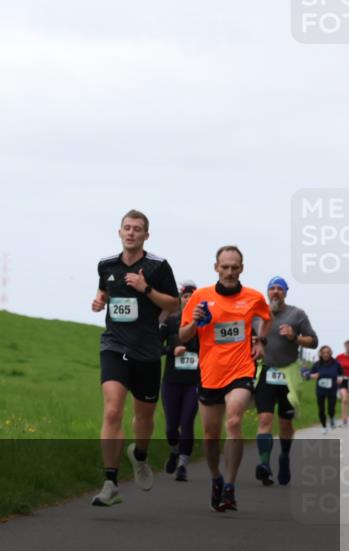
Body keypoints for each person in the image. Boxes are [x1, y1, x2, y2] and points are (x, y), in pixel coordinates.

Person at [91, 210, 179, 506]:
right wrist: (98, 299)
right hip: (114, 346)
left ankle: (139, 455)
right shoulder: (106, 265)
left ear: (146, 235)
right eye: (127, 228)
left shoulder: (158, 266)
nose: (131, 233)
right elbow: (104, 290)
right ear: (119, 232)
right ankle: (110, 482)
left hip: (148, 350)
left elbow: (174, 304)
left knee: (144, 416)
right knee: (113, 410)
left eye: (137, 229)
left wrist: (146, 289)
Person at [179, 245, 271, 512]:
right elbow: (183, 336)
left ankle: (230, 487)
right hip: (210, 374)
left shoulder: (253, 297)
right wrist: (195, 322)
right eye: (225, 267)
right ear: (216, 267)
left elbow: (267, 317)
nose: (230, 272)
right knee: (210, 435)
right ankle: (216, 478)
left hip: (241, 370)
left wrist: (261, 341)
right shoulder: (200, 296)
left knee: (233, 420)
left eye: (234, 267)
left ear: (241, 268)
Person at [253, 276, 318, 486]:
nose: (275, 292)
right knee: (264, 420)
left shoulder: (296, 314)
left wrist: (294, 337)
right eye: (272, 288)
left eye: (279, 288)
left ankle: (284, 457)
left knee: (285, 423)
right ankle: (264, 465)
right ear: (267, 292)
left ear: (286, 292)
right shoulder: (257, 316)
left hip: (289, 374)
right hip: (265, 371)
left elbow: (313, 341)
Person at [159, 280, 200, 482]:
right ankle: (174, 451)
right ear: (180, 299)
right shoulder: (171, 321)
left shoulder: (203, 323)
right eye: (185, 296)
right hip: (171, 381)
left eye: (193, 296)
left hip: (194, 382)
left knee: (187, 423)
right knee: (171, 427)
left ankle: (183, 465)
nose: (189, 299)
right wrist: (171, 350)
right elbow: (154, 347)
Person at [310, 346, 344, 434]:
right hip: (320, 390)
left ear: (330, 353)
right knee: (321, 409)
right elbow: (310, 374)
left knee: (331, 408)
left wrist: (340, 378)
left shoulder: (336, 363)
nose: (325, 354)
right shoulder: (317, 364)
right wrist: (313, 376)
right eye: (324, 352)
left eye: (327, 352)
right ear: (321, 353)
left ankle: (332, 418)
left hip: (332, 389)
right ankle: (324, 426)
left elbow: (341, 373)